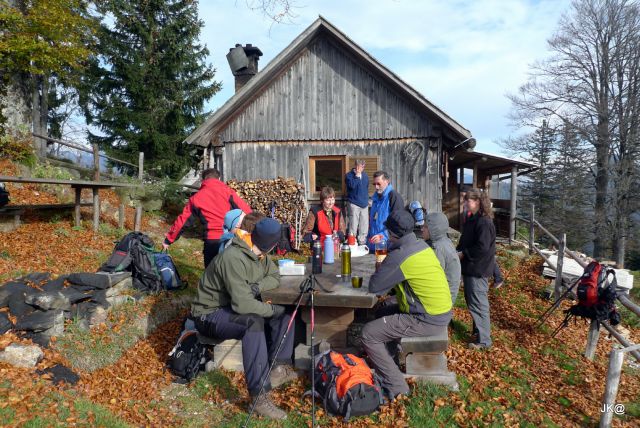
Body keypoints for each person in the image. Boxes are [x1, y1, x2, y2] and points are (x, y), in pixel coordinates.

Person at [191, 218, 298, 420]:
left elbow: (274, 276)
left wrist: (257, 287)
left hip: (231, 307)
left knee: (286, 313)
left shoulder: (260, 255)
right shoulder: (233, 257)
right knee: (254, 323)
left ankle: (279, 367)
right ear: (273, 243)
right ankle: (259, 397)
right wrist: (272, 310)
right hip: (209, 313)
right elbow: (243, 305)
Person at [361, 210, 452, 399]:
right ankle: (388, 361)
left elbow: (375, 286)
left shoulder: (401, 255)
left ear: (393, 234)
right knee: (382, 311)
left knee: (368, 334)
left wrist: (382, 264)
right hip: (439, 310)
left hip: (427, 318)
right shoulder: (421, 245)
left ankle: (397, 386)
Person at [163, 168, 252, 268]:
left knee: (211, 276)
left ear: (203, 180)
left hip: (212, 241)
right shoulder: (228, 192)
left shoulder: (196, 198)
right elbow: (247, 212)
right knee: (231, 272)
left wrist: (168, 240)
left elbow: (183, 221)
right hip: (230, 239)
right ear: (219, 178)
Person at [456, 188, 496, 349]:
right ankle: (478, 333)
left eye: (468, 200)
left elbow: (483, 247)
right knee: (473, 301)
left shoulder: (484, 222)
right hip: (471, 267)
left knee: (479, 304)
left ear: (477, 202)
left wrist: (464, 254)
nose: (465, 203)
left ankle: (484, 341)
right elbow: (467, 240)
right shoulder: (473, 219)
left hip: (478, 269)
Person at [423, 212, 461, 304]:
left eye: (425, 227)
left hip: (442, 298)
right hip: (446, 292)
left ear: (434, 229)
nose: (422, 229)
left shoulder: (438, 248)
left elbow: (433, 277)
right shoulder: (444, 240)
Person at [367, 171, 404, 247]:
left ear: (386, 182)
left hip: (388, 246)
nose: (376, 187)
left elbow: (399, 224)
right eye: (374, 184)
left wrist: (382, 236)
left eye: (378, 184)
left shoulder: (394, 197)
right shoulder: (375, 198)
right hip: (373, 246)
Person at [345, 159, 369, 244]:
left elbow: (366, 188)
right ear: (355, 166)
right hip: (354, 203)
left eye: (362, 166)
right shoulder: (349, 176)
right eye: (359, 166)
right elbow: (352, 186)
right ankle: (352, 242)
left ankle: (362, 242)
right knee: (353, 224)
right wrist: (357, 176)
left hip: (364, 204)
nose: (361, 168)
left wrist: (367, 200)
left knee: (364, 224)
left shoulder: (365, 176)